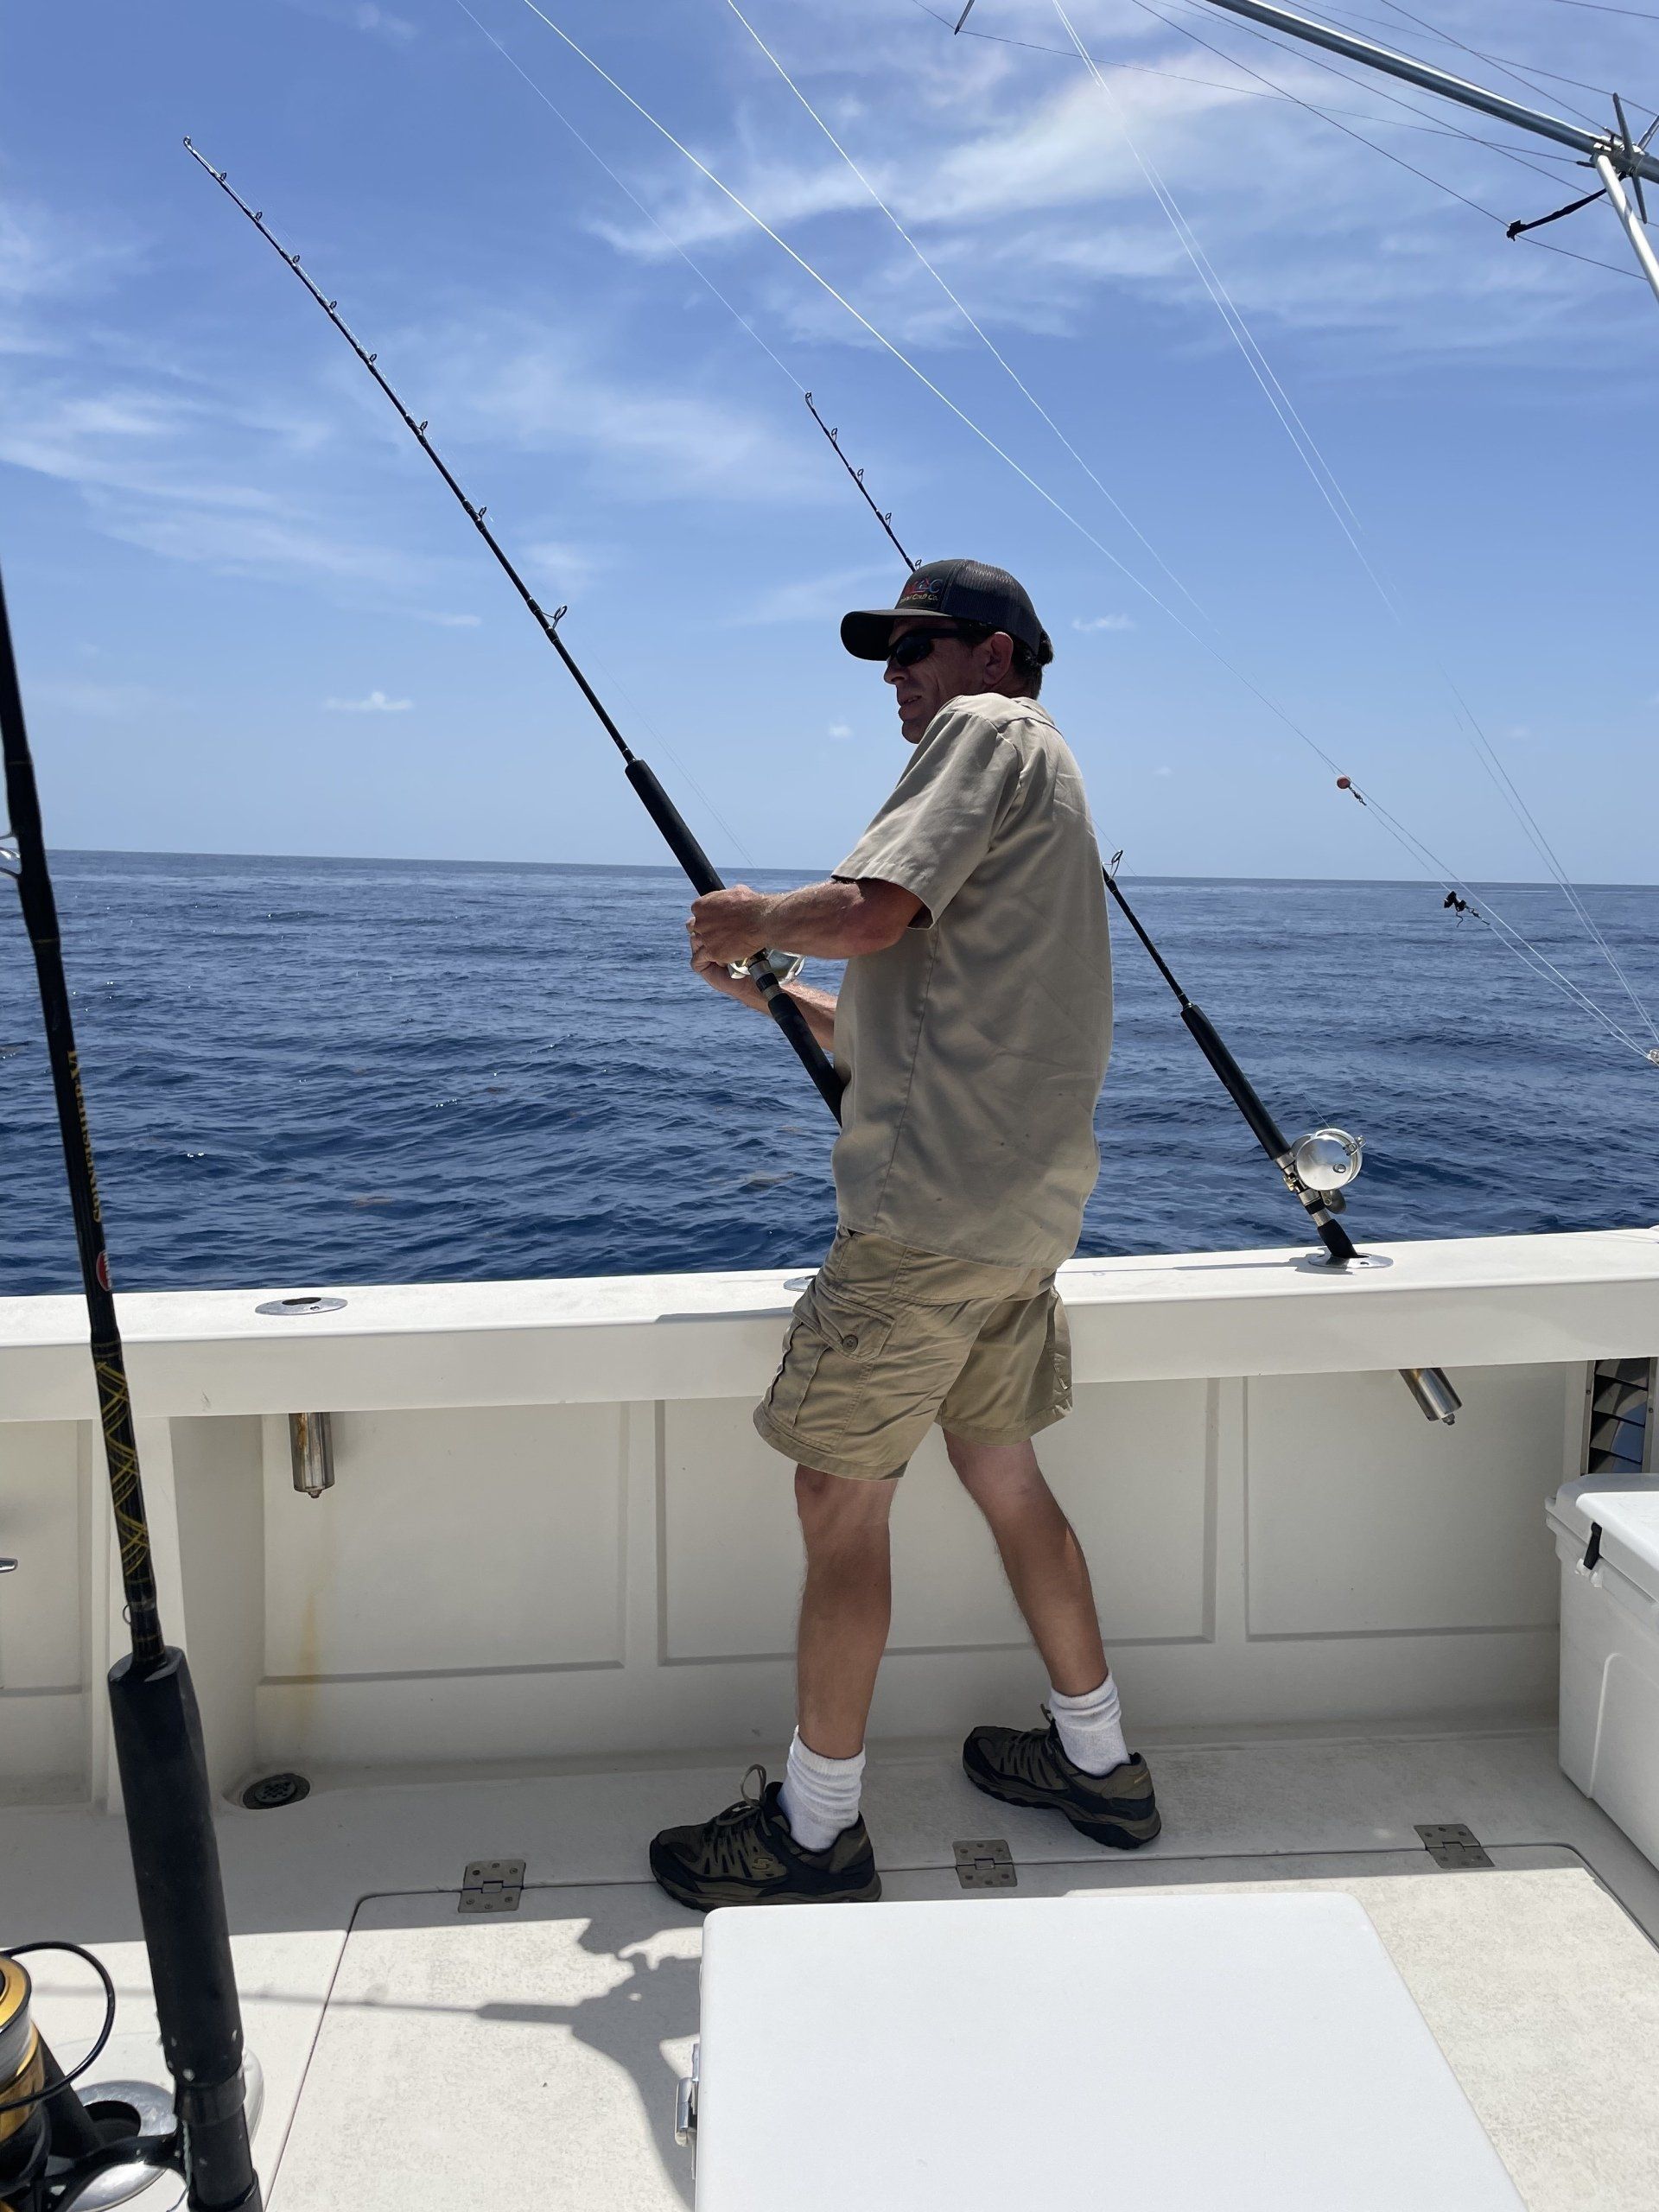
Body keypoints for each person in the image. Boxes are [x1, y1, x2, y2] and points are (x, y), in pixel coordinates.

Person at [648, 558, 1159, 1910]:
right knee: (1004, 1475)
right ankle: (1100, 1766)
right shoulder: (1047, 777)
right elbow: (902, 1019)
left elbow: (873, 912)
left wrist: (750, 917)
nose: (896, 673)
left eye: (917, 645)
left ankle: (814, 1836)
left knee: (837, 1498)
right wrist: (775, 991)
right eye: (887, 653)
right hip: (1019, 1221)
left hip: (924, 1227)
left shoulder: (986, 732)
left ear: (997, 653)